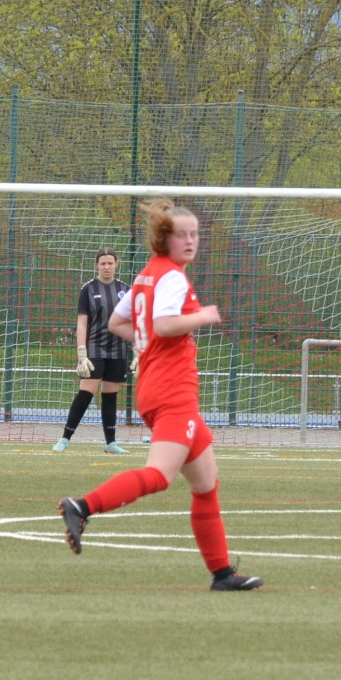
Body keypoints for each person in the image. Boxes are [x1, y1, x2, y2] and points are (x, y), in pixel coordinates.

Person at [57, 199, 262, 592]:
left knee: (206, 484)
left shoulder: (147, 275)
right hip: (172, 391)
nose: (190, 241)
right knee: (159, 476)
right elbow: (165, 325)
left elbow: (117, 321)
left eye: (195, 234)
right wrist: (202, 316)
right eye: (181, 234)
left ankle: (222, 574)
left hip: (157, 386)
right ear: (165, 238)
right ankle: (81, 507)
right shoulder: (171, 277)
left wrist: (145, 343)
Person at [54, 248, 131, 454]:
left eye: (110, 263)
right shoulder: (88, 289)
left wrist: (139, 349)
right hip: (94, 349)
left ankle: (110, 443)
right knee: (86, 393)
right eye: (103, 263)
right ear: (97, 265)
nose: (107, 267)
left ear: (117, 264)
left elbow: (133, 321)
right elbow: (82, 323)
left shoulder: (126, 290)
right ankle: (65, 439)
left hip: (118, 350)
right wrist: (82, 353)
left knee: (110, 396)